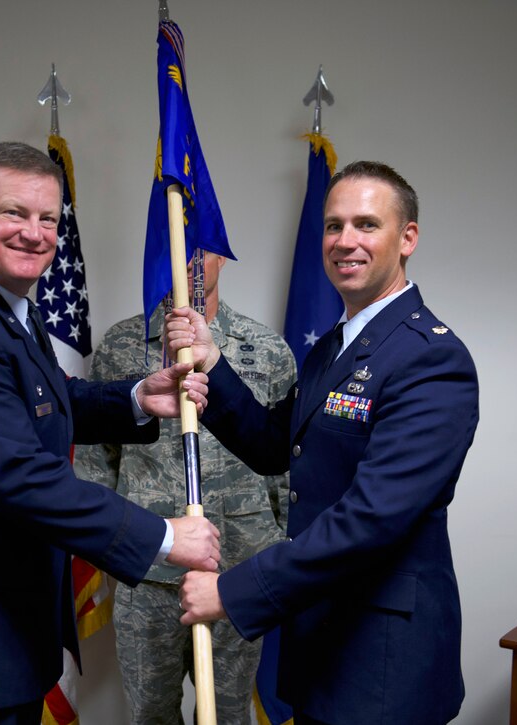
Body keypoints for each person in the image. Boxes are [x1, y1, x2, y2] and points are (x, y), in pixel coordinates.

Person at [0, 141, 221, 724]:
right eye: (14, 213)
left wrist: (137, 397)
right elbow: (18, 476)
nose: (35, 233)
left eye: (48, 219)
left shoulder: (4, 308)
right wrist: (162, 537)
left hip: (2, 630)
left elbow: (43, 405)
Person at [169, 161, 480, 724]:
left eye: (366, 225)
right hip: (322, 641)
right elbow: (275, 446)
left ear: (407, 237)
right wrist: (213, 364)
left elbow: (372, 518)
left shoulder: (431, 359)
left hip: (382, 658)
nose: (345, 242)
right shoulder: (334, 347)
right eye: (334, 226)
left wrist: (234, 592)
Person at [74, 251, 297, 725]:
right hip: (147, 571)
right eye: (181, 245)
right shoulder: (123, 344)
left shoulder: (266, 347)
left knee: (229, 714)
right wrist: (112, 551)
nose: (193, 260)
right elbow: (97, 460)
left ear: (225, 255)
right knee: (150, 714)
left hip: (236, 571)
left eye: (205, 246)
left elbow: (286, 465)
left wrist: (275, 547)